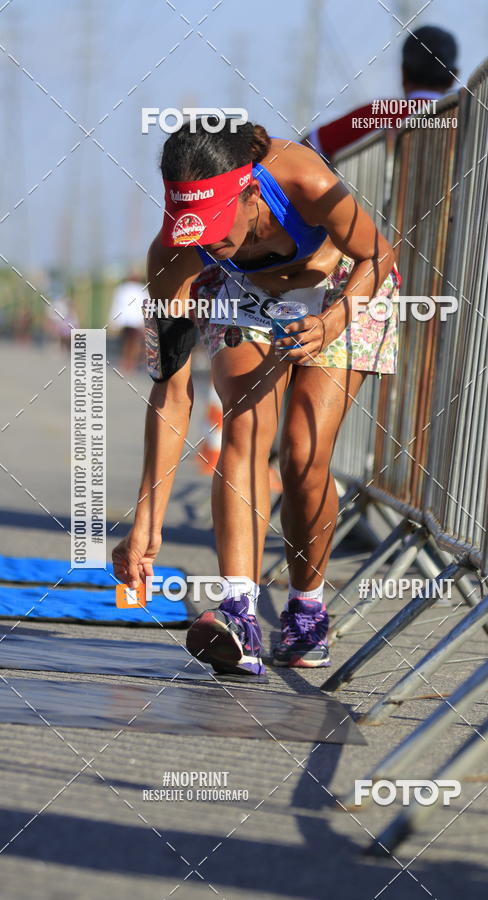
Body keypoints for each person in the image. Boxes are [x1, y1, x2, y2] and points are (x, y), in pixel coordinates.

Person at [112, 119, 400, 675]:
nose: (207, 243)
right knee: (243, 427)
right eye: (193, 232)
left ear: (250, 194)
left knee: (303, 457)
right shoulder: (172, 259)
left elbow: (378, 254)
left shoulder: (306, 182)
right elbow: (171, 395)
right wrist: (146, 521)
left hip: (345, 288)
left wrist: (335, 320)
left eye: (216, 228)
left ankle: (306, 608)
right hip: (241, 295)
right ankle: (238, 612)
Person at [304, 25, 458, 160]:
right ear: (454, 77)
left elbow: (305, 148)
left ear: (403, 73)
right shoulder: (465, 118)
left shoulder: (379, 112)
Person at [108, 274, 148, 371]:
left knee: (131, 342)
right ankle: (128, 362)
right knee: (131, 342)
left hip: (132, 320)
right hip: (131, 320)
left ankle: (129, 362)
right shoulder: (126, 289)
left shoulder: (124, 288)